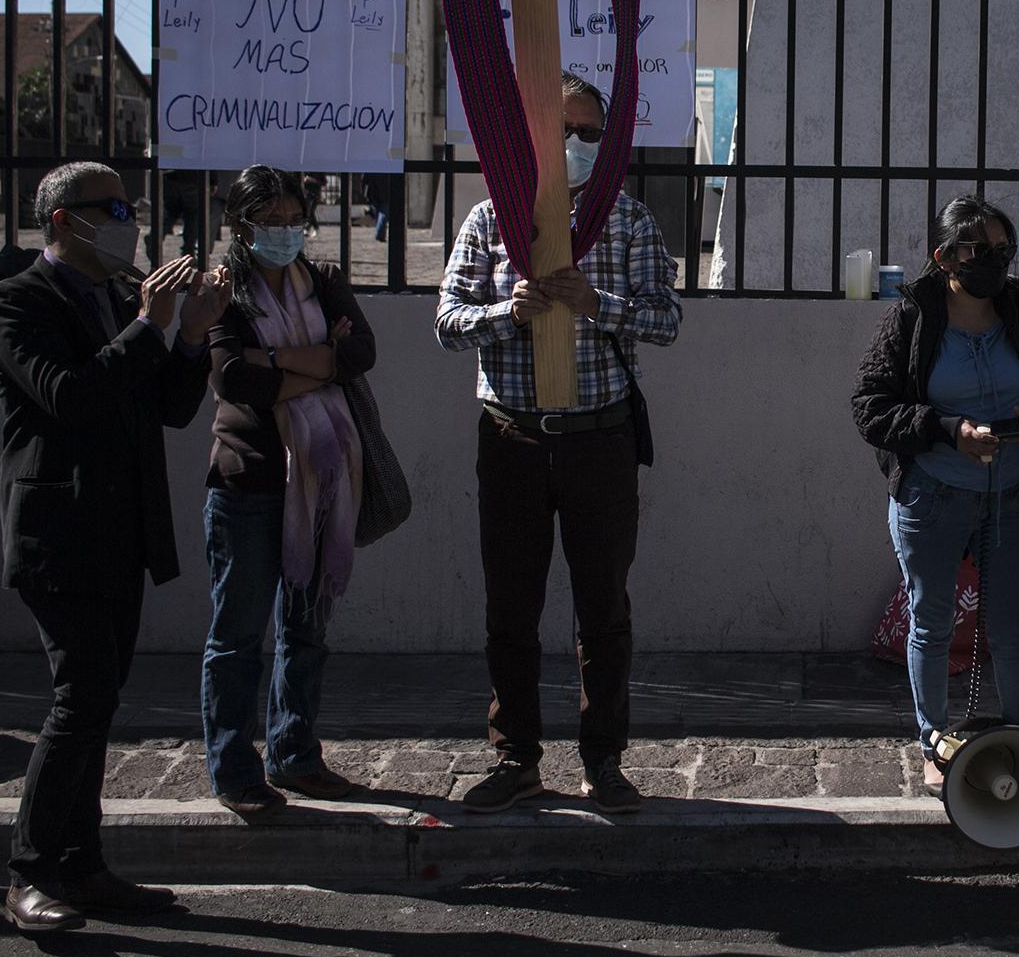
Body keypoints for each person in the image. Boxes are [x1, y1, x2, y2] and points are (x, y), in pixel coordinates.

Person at [0, 161, 227, 932]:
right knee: (79, 695)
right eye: (115, 207)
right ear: (65, 220)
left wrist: (188, 337)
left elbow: (170, 409)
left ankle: (82, 864)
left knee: (98, 700)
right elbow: (72, 397)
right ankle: (30, 871)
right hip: (58, 533)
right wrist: (148, 326)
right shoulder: (19, 300)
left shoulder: (124, 299)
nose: (131, 219)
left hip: (123, 531)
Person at [436, 73, 680, 815]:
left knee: (602, 607)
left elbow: (665, 319)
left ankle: (603, 760)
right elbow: (447, 318)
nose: (573, 147)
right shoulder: (487, 220)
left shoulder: (629, 221)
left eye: (587, 134)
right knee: (511, 607)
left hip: (597, 440)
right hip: (511, 436)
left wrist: (595, 303)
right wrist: (504, 313)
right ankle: (515, 759)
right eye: (561, 131)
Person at [851, 196, 1019, 795]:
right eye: (978, 250)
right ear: (944, 256)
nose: (994, 262)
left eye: (1004, 251)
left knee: (1010, 630)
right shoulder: (913, 315)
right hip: (932, 496)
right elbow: (871, 408)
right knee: (933, 619)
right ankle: (935, 744)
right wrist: (950, 430)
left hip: (1013, 494)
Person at [201, 166, 377, 819]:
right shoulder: (224, 292)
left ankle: (294, 751)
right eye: (269, 221)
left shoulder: (324, 283)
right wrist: (310, 360)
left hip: (322, 483)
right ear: (241, 228)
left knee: (305, 632)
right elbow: (234, 379)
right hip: (248, 483)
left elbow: (360, 353)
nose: (284, 232)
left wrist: (278, 362)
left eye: (292, 218)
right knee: (238, 636)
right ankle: (234, 766)